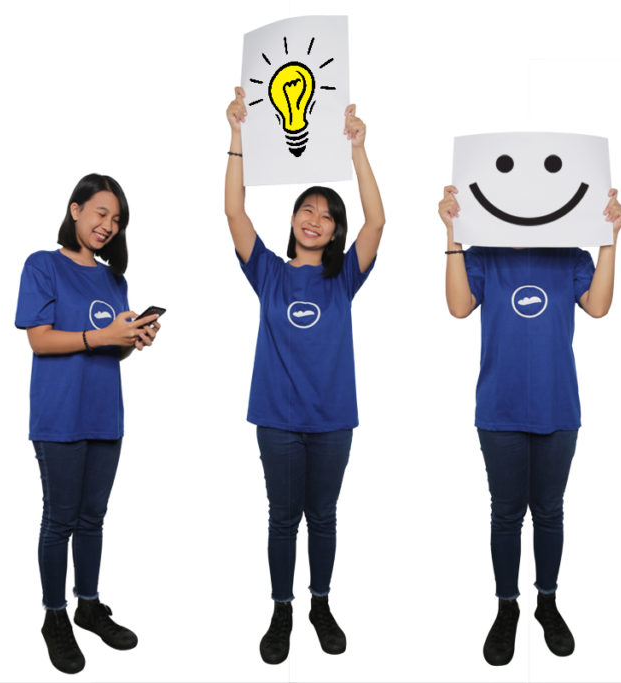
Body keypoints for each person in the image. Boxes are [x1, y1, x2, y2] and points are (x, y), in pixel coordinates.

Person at [224, 87, 385, 665]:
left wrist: (358, 149)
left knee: (323, 516)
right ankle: (282, 608)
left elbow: (378, 219)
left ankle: (320, 603)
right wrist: (238, 134)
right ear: (293, 218)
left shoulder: (344, 280)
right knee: (281, 517)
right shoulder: (267, 272)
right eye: (308, 210)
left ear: (335, 233)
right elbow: (235, 212)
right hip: (277, 420)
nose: (316, 220)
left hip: (333, 420)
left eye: (327, 216)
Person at [438, 184, 621, 665]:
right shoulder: (484, 254)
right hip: (499, 409)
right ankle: (507, 607)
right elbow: (459, 307)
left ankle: (547, 601)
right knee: (505, 513)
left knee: (548, 511)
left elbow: (599, 306)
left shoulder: (569, 256)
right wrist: (454, 235)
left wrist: (609, 237)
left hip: (557, 408)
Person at [15, 173, 161, 674]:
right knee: (60, 520)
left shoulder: (112, 279)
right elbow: (40, 340)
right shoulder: (42, 265)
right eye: (101, 213)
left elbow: (110, 346)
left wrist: (134, 337)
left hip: (105, 414)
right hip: (58, 414)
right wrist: (102, 335)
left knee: (93, 518)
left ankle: (88, 604)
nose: (108, 226)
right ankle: (54, 615)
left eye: (117, 220)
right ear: (75, 209)